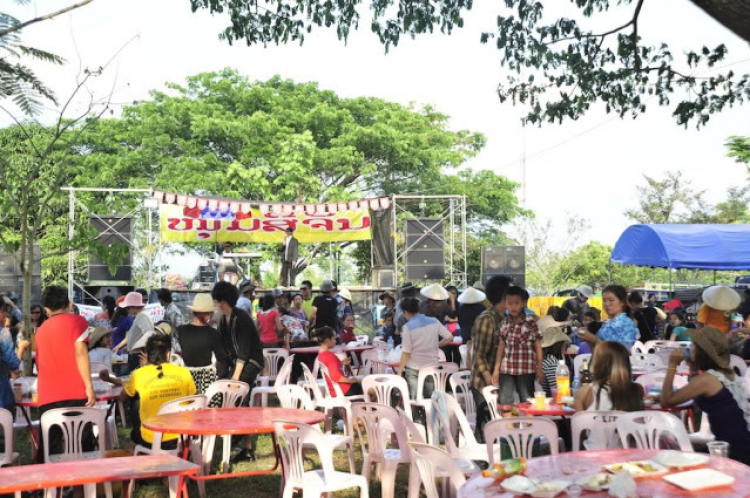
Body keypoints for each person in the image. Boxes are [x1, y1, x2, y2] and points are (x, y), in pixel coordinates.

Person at [660, 327, 750, 465]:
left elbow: (666, 401)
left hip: (735, 452)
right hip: (741, 442)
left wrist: (672, 365)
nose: (690, 347)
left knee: (665, 447)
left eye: (693, 345)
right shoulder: (727, 373)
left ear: (702, 352)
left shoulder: (707, 379)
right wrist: (693, 366)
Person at [103, 333, 196, 450]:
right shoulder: (184, 373)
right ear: (168, 354)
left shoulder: (139, 375)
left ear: (147, 354)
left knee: (135, 399)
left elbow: (122, 397)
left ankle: (137, 442)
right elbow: (192, 399)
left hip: (150, 438)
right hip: (181, 436)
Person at [35, 285, 96, 455]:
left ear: (46, 308)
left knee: (50, 449)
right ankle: (83, 481)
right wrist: (89, 386)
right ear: (68, 303)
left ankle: (50, 481)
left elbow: (40, 363)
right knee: (83, 446)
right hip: (76, 393)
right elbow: (81, 352)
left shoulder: (40, 331)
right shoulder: (78, 321)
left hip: (47, 396)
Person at [212, 281, 265, 462]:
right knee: (241, 399)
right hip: (238, 363)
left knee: (237, 395)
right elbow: (223, 352)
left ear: (222, 300)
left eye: (216, 300)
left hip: (252, 361)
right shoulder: (222, 321)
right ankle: (247, 448)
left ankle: (236, 437)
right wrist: (221, 376)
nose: (214, 303)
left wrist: (235, 379)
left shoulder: (241, 317)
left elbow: (244, 350)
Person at [574, 341, 644, 448]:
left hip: (593, 456)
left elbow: (580, 434)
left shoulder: (583, 393)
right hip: (626, 458)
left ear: (598, 364)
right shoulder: (637, 390)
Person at [491, 286, 543, 405]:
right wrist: (496, 369)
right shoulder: (504, 322)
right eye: (510, 303)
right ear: (505, 304)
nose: (513, 306)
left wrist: (539, 368)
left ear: (523, 303)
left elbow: (538, 346)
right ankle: (508, 424)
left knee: (528, 401)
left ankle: (530, 424)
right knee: (504, 401)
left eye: (517, 303)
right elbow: (501, 346)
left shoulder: (531, 322)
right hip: (507, 368)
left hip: (526, 368)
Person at [397, 297, 453, 399]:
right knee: (431, 399)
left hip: (413, 368)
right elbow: (449, 338)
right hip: (431, 366)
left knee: (416, 399)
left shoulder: (407, 327)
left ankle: (418, 415)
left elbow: (406, 352)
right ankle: (431, 415)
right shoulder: (434, 321)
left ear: (405, 312)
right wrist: (436, 345)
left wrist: (400, 371)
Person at [471, 275, 512, 402]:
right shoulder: (487, 319)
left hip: (501, 383)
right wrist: (490, 381)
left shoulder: (506, 318)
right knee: (488, 421)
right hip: (484, 385)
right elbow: (479, 354)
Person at [177, 293, 227, 394]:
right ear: (206, 313)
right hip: (207, 379)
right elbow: (221, 358)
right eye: (210, 312)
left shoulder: (181, 331)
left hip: (186, 377)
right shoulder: (212, 333)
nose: (211, 314)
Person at [579, 285, 638, 350]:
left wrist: (593, 339)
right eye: (604, 300)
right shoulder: (607, 324)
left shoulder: (626, 324)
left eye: (611, 300)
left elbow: (620, 353)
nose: (606, 304)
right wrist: (588, 339)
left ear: (622, 302)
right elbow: (597, 351)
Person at [113, 292, 154, 373]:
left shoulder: (142, 316)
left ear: (133, 307)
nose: (127, 310)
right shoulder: (139, 316)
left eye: (127, 308)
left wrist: (136, 347)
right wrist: (123, 347)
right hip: (135, 355)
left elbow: (149, 335)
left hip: (138, 356)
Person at [316, 326, 363, 396]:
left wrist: (341, 363)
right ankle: (368, 407)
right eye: (334, 339)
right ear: (327, 340)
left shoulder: (321, 355)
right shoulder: (330, 357)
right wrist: (351, 381)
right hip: (343, 390)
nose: (336, 341)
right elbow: (335, 376)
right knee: (372, 389)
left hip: (333, 390)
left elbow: (329, 367)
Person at [0, 298, 24, 410]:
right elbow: (13, 364)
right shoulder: (3, 334)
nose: (5, 314)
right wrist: (21, 349)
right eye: (3, 310)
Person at [457, 286, 487, 366]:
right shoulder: (482, 307)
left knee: (465, 357)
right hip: (479, 336)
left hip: (465, 335)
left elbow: (460, 322)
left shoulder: (460, 308)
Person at [540, 327, 571, 397]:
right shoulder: (552, 363)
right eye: (564, 344)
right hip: (550, 403)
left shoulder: (543, 359)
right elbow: (560, 393)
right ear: (559, 345)